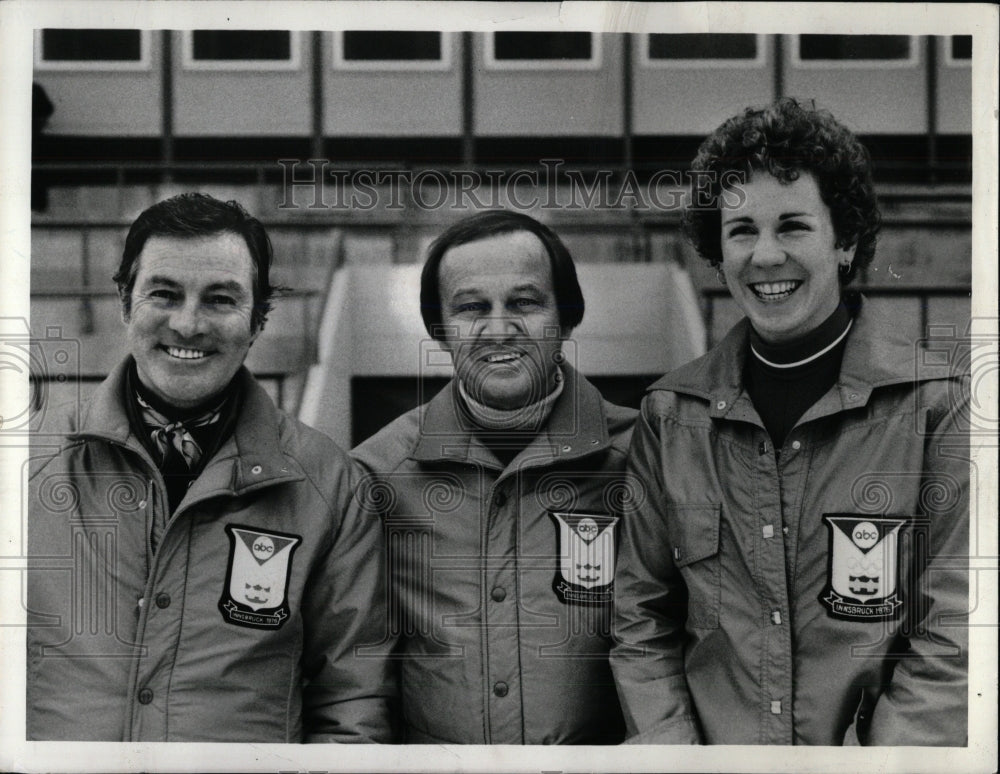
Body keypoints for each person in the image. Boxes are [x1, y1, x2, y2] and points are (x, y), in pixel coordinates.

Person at [612, 98, 969, 746]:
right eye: (742, 230)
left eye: (793, 226)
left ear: (846, 241)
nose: (765, 255)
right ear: (717, 250)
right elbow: (640, 624)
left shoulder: (937, 413)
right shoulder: (670, 419)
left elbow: (956, 637)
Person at [27, 193, 393, 742]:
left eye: (220, 299)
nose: (188, 323)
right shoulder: (31, 467)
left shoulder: (331, 486)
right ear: (126, 305)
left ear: (257, 319)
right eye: (164, 294)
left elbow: (353, 704)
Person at [351, 210, 635, 744]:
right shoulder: (376, 475)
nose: (499, 328)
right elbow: (356, 672)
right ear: (439, 330)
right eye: (471, 308)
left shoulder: (641, 459)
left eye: (525, 303)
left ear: (566, 318)